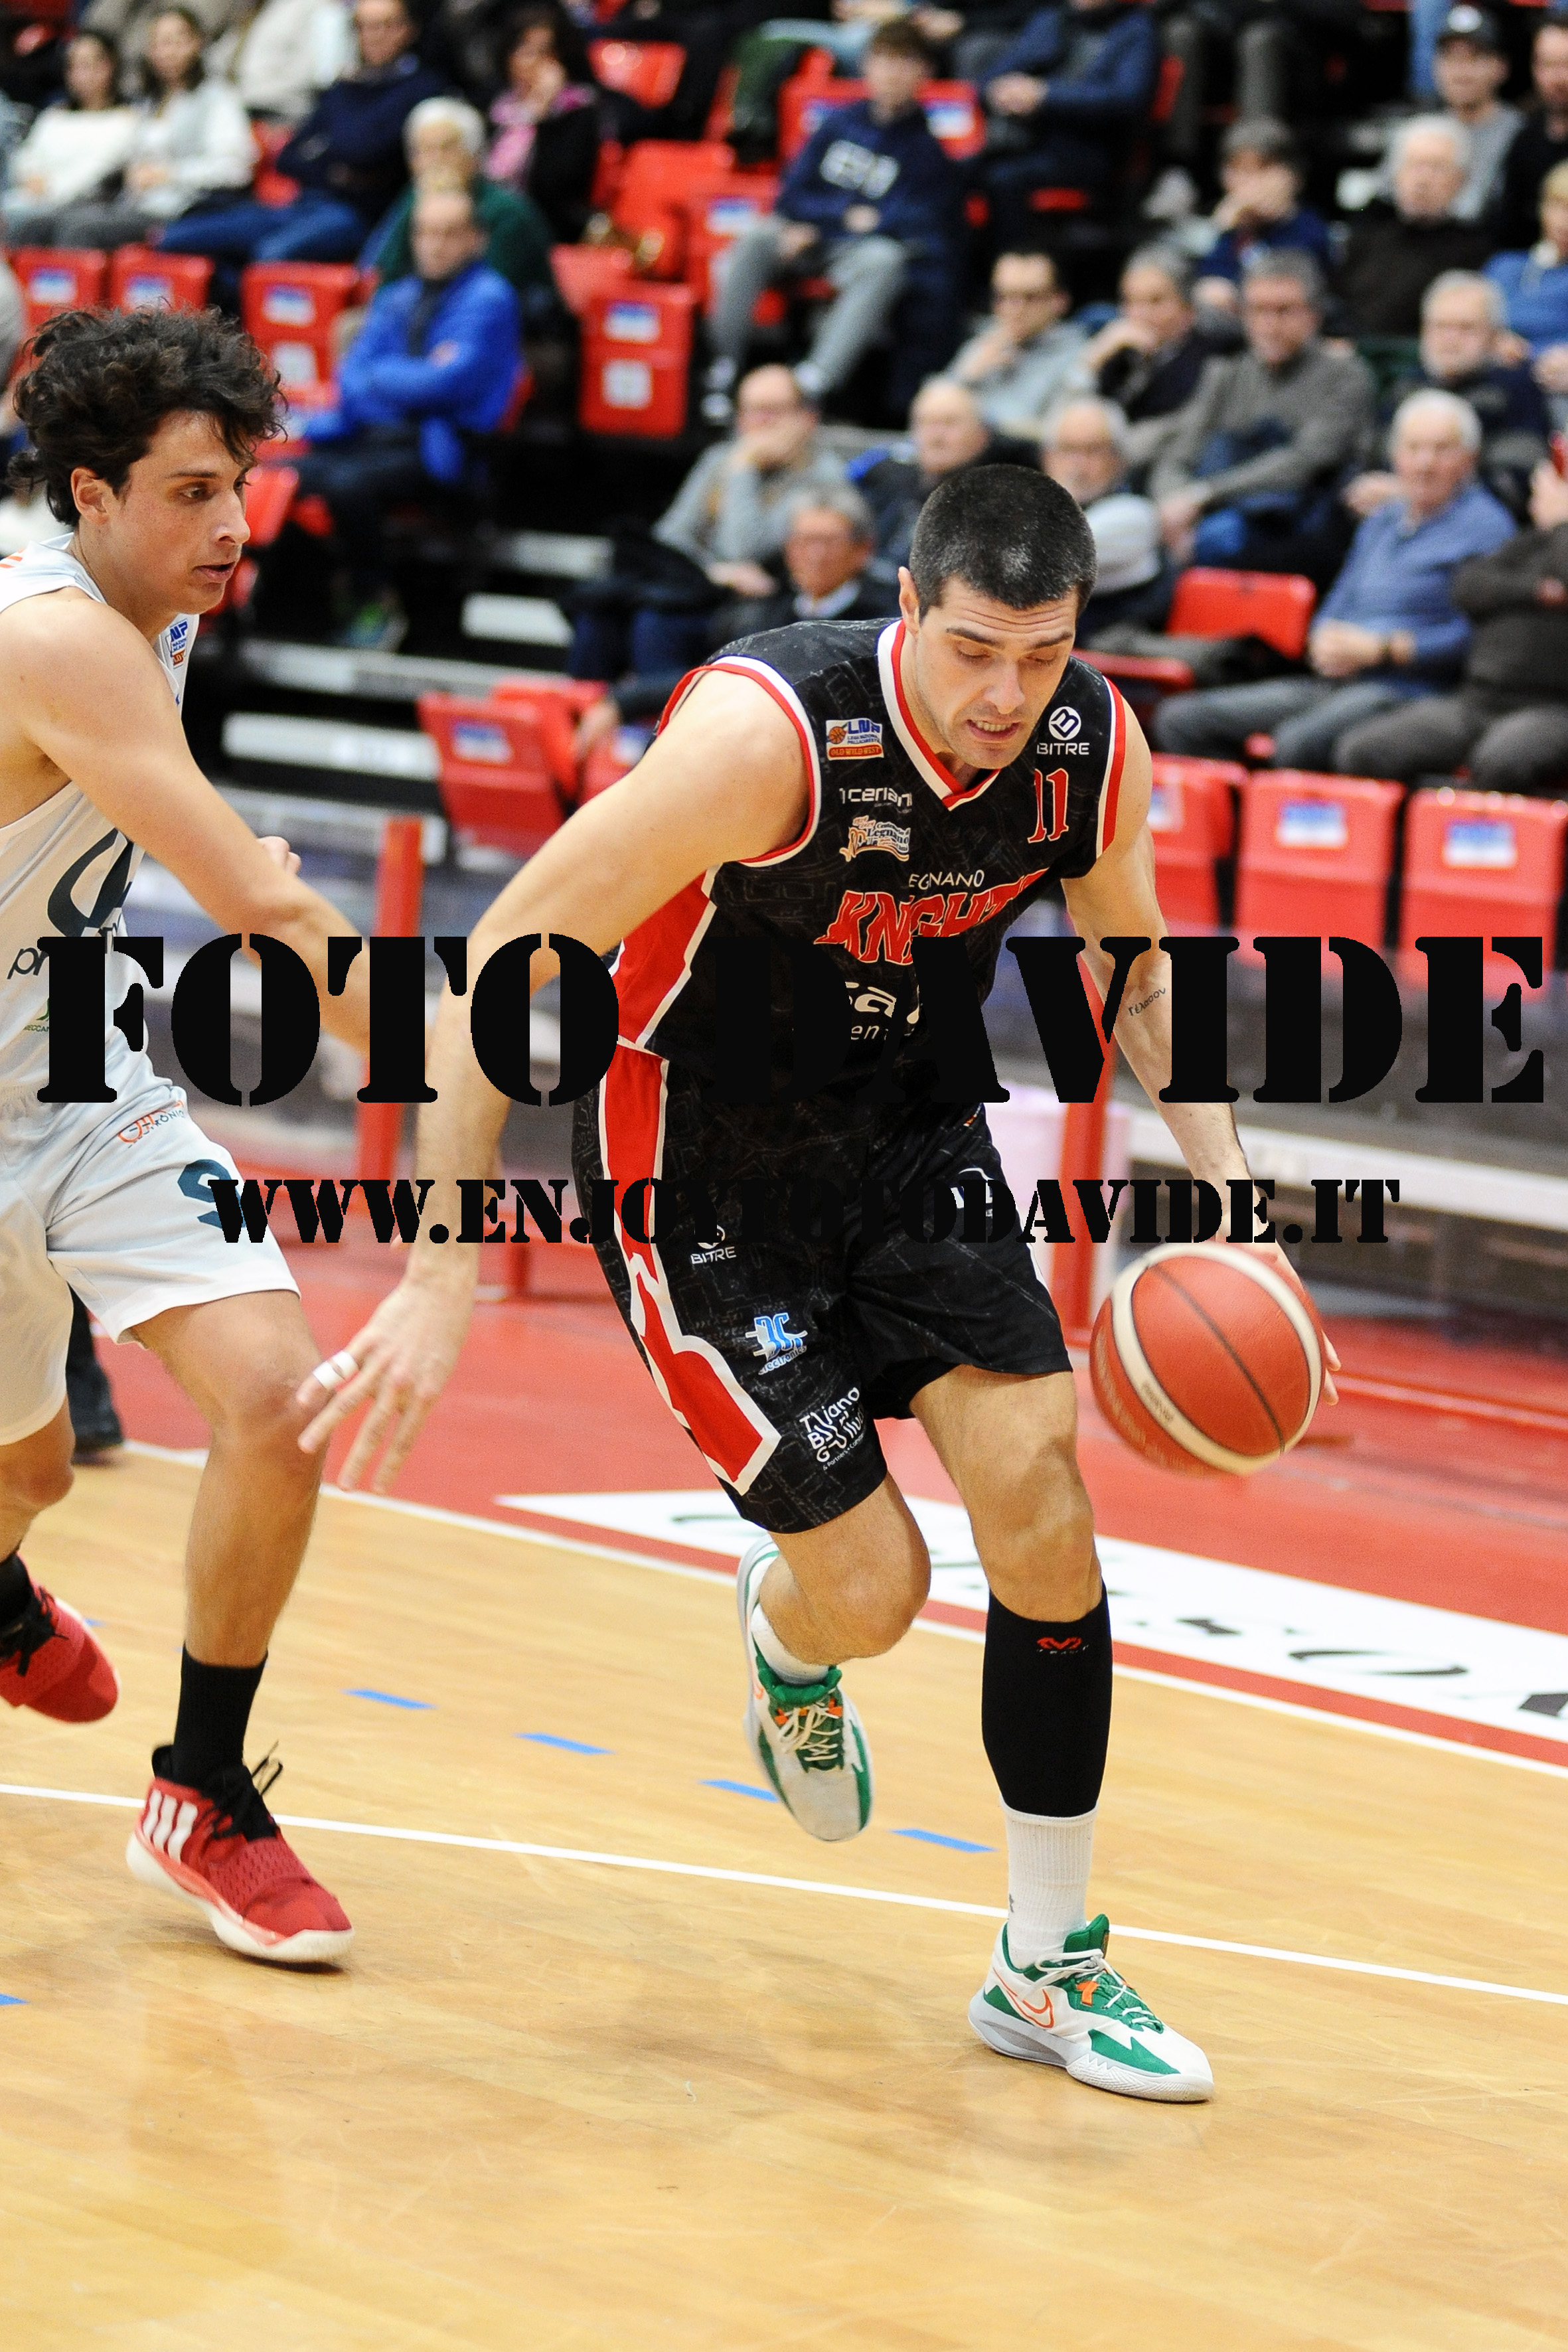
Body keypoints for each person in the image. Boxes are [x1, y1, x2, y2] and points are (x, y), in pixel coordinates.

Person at [297, 461, 1344, 2105]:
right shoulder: (765, 739)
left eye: (1043, 654)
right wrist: (442, 1266)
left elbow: (1136, 966)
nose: (1005, 694)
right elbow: (502, 958)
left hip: (912, 1136)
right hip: (696, 1166)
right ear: (906, 607)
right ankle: (793, 1641)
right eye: (974, 648)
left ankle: (1045, 1965)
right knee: (874, 1590)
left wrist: (1233, 1193)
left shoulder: (1090, 744)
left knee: (1042, 1498)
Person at [0, 305, 373, 1960]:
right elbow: (256, 904)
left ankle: (203, 1789)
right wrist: (451, 1059)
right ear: (88, 493)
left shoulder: (154, 607)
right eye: (191, 491)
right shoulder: (59, 633)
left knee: (281, 1401)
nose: (232, 524)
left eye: (240, 485)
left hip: (84, 1075)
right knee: (25, 1469)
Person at [1154, 390, 1514, 769]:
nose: (1425, 463)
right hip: (1338, 679)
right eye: (1414, 448)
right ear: (1395, 456)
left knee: (1297, 743)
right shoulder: (1382, 520)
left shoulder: (1487, 528)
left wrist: (1385, 649)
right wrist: (1324, 640)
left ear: (1469, 458)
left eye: (1442, 450)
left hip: (1409, 689)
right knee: (1182, 720)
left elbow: (1482, 638)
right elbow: (1340, 599)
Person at [293, 184, 522, 650]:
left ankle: (374, 599)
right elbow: (351, 379)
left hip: (442, 448)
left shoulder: (491, 299)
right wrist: (403, 380)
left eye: (449, 234)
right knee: (282, 476)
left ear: (476, 239)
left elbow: (448, 385)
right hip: (375, 437)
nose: (435, 245)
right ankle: (295, 604)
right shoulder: (396, 296)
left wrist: (382, 377)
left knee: (348, 485)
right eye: (425, 233)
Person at [701, 23, 961, 424]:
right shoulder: (838, 124)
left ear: (924, 73)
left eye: (904, 62)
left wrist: (826, 224)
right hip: (806, 237)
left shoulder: (926, 150)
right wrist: (835, 219)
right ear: (867, 66)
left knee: (884, 260)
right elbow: (791, 195)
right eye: (883, 60)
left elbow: (902, 221)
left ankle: (812, 385)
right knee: (754, 237)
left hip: (854, 253)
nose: (891, 73)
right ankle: (722, 367)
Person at [570, 366, 846, 684]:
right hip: (707, 591)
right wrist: (714, 572)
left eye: (774, 411)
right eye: (752, 411)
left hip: (768, 606)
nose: (761, 422)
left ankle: (659, 713)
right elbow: (671, 538)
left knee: (657, 623)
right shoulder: (719, 459)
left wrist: (744, 470)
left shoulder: (821, 474)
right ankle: (581, 710)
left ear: (806, 417)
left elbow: (746, 548)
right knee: (599, 616)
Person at [579, 485, 898, 740]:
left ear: (863, 549)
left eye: (827, 541)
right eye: (803, 541)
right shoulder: (766, 613)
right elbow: (717, 676)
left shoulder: (880, 624)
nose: (814, 555)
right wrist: (624, 702)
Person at [1330, 456, 1568, 790]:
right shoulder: (1529, 543)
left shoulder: (1557, 538)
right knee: (1364, 750)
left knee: (1501, 760)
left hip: (1553, 708)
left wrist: (1561, 525)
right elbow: (1469, 585)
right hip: (1478, 701)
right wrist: (1537, 591)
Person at [159, 0, 444, 270]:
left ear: (410, 29)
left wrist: (331, 155)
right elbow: (289, 157)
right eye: (364, 26)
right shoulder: (343, 88)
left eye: (386, 25)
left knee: (269, 256)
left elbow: (364, 152)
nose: (374, 35)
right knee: (177, 237)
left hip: (358, 215)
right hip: (304, 204)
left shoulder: (424, 89)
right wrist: (339, 170)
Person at [1151, 250, 1375, 576]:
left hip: (1300, 522)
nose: (1270, 324)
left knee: (1217, 538)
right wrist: (1172, 504)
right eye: (1258, 310)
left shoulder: (1346, 376)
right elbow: (1178, 454)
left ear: (1313, 315)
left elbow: (1304, 462)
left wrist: (1204, 496)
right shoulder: (1226, 375)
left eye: (1284, 310)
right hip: (1214, 514)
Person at [40, 7, 254, 254]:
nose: (167, 52)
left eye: (176, 42)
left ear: (197, 43)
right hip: (132, 203)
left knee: (80, 230)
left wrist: (169, 174)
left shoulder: (218, 98)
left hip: (181, 210)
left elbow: (235, 169)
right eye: (159, 44)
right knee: (46, 221)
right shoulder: (149, 102)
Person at [1347, 272, 1549, 521]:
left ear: (1495, 336)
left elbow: (1515, 484)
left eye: (1466, 328)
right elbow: (1367, 456)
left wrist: (1412, 494)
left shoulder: (1516, 391)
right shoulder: (1408, 386)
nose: (1451, 339)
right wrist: (1360, 490)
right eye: (1440, 326)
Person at [979, 0, 1159, 244]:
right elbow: (992, 77)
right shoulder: (1052, 19)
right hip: (1023, 138)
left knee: (1003, 178)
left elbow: (1127, 99)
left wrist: (1046, 95)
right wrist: (1004, 90)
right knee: (959, 169)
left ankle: (1016, 260)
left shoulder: (1136, 29)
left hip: (1088, 149)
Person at [362, 95, 555, 321]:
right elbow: (389, 278)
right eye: (425, 150)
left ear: (475, 156)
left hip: (507, 324)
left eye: (447, 148)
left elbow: (491, 296)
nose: (436, 160)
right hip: (429, 314)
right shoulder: (416, 199)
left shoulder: (506, 212)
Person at [856, 376, 1034, 584]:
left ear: (982, 435)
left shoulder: (1004, 502)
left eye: (949, 423)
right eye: (926, 423)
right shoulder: (887, 479)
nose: (936, 437)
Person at [1071, 246, 1225, 476]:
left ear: (1188, 310)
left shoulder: (1209, 363)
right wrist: (1091, 361)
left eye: (1155, 301)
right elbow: (1065, 424)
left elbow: (1159, 438)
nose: (1140, 315)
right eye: (1131, 302)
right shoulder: (1116, 350)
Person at [1338, 117, 1493, 341]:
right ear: (1396, 174)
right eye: (1414, 165)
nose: (1423, 180)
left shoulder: (1476, 250)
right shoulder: (1366, 234)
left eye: (1437, 168)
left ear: (1460, 180)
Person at [1041, 395, 1168, 641]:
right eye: (1067, 449)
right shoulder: (1035, 511)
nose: (1078, 464)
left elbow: (1052, 559)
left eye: (1093, 451)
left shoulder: (1135, 514)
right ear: (1047, 458)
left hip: (1111, 658)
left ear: (1118, 459)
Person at [0, 31, 137, 245]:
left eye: (87, 65)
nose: (80, 75)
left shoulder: (125, 120)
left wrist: (49, 191)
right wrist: (30, 177)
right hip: (30, 196)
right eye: (73, 67)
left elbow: (94, 172)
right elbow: (28, 154)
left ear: (109, 67)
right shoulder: (55, 115)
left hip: (81, 204)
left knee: (19, 220)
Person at [483, 3, 601, 246]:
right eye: (525, 50)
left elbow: (555, 190)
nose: (534, 62)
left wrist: (543, 113)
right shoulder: (498, 107)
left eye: (545, 52)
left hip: (545, 226)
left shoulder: (579, 111)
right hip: (490, 219)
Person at [942, 247, 1085, 440]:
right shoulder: (983, 343)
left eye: (1030, 297)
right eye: (1004, 297)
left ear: (1060, 300)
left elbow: (1061, 435)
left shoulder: (1079, 356)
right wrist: (965, 377)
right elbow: (931, 413)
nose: (1016, 309)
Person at [1190, 119, 1332, 310]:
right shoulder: (1232, 229)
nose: (1248, 181)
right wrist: (1218, 229)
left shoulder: (1309, 230)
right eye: (1237, 169)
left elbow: (1286, 288)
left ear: (1291, 175)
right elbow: (1205, 279)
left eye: (1261, 168)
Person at [1488, 159, 1568, 413]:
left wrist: (1533, 354)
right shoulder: (1504, 267)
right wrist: (1493, 341)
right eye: (1558, 206)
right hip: (1493, 381)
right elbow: (1471, 320)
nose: (1564, 221)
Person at [1425, 6, 1519, 223]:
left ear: (1501, 67)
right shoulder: (1420, 133)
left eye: (1474, 58)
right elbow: (1384, 198)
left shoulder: (1520, 136)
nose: (1461, 71)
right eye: (1450, 57)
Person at [208, 0, 354, 125]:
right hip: (235, 108)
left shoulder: (317, 8)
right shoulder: (261, 7)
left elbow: (318, 76)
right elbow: (219, 57)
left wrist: (245, 93)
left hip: (278, 115)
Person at [1498, 10, 1568, 254]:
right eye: (1547, 64)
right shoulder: (1525, 139)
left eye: (1566, 64)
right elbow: (1508, 229)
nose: (1558, 77)